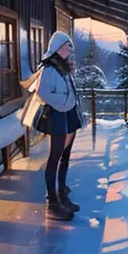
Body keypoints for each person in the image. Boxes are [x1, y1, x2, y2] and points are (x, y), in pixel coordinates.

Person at [23, 31, 85, 221]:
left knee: (65, 155)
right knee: (55, 157)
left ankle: (61, 194)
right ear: (57, 48)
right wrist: (66, 101)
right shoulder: (50, 68)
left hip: (67, 115)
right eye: (67, 47)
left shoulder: (63, 67)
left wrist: (70, 102)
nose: (69, 50)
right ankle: (52, 203)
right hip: (57, 117)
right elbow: (43, 93)